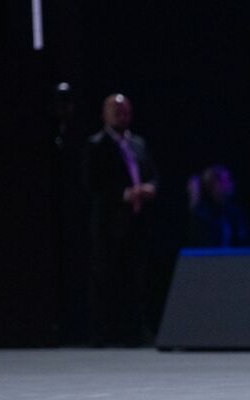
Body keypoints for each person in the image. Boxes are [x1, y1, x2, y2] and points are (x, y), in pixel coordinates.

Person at [84, 93, 158, 346]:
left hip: (137, 222)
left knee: (136, 277)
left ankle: (134, 331)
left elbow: (152, 174)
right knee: (107, 278)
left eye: (125, 110)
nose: (122, 115)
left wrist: (150, 188)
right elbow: (93, 185)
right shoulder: (96, 145)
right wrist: (126, 194)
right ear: (105, 114)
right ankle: (104, 332)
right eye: (116, 110)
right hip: (109, 224)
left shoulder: (139, 143)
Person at [187, 164, 250, 247]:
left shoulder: (234, 213)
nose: (231, 184)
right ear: (214, 185)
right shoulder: (202, 214)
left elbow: (243, 241)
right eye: (226, 180)